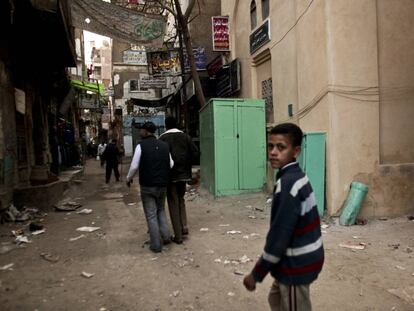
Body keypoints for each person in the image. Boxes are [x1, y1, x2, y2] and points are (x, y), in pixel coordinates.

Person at [243, 123, 324, 311]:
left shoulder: (289, 185)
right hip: (295, 258)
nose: (273, 152)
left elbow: (279, 238)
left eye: (281, 147)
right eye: (270, 146)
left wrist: (256, 274)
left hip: (296, 264)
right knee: (276, 299)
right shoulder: (293, 176)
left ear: (296, 151)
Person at [126, 122, 174, 253]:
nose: (140, 132)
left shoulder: (141, 146)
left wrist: (128, 178)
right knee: (161, 210)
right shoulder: (164, 145)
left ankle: (156, 245)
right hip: (162, 184)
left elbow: (134, 166)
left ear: (146, 131)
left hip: (147, 186)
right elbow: (171, 164)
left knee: (151, 215)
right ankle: (166, 236)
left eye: (141, 130)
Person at [159, 116, 199, 244]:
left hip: (170, 176)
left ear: (166, 125)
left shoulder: (162, 138)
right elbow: (196, 153)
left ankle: (178, 236)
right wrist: (188, 165)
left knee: (172, 202)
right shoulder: (185, 137)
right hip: (184, 174)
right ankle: (184, 226)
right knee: (181, 199)